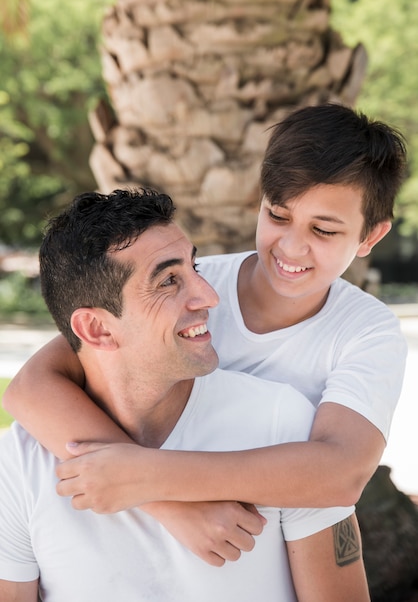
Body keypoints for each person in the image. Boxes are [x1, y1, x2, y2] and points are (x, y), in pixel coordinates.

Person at [3, 103, 408, 564]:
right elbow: (30, 388)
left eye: (324, 230)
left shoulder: (367, 332)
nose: (292, 246)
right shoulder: (189, 290)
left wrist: (153, 479)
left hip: (277, 554)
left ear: (370, 237)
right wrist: (166, 506)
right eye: (278, 215)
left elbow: (341, 472)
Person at [0, 189, 370, 602]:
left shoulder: (283, 425)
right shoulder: (18, 463)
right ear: (98, 330)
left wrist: (156, 484)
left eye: (194, 268)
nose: (210, 297)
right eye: (169, 281)